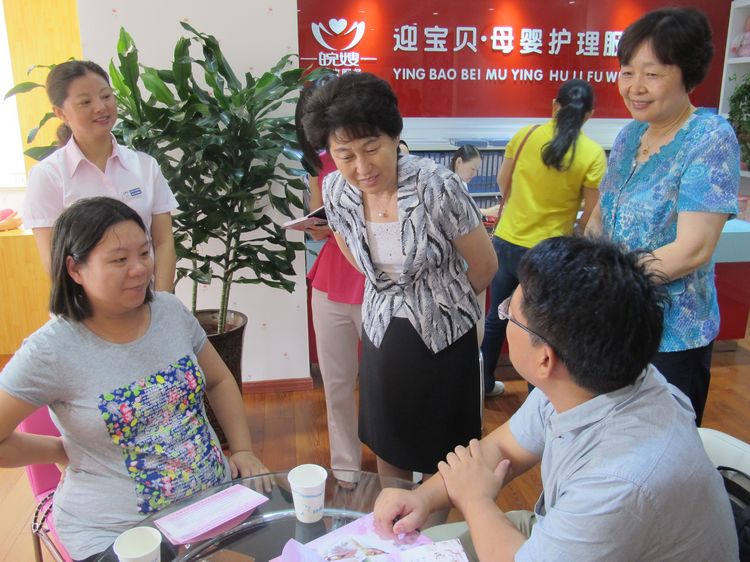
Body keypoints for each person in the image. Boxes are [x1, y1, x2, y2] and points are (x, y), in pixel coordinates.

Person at [374, 236, 738, 562]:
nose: (503, 315)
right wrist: (422, 498)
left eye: (509, 314)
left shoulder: (620, 478)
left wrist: (474, 499)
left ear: (545, 359)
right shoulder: (588, 380)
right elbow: (502, 449)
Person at [0, 197, 268, 561]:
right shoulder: (51, 350)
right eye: (119, 260)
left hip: (211, 503)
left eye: (144, 253)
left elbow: (219, 381)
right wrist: (59, 450)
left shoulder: (169, 311)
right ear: (75, 269)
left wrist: (243, 449)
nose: (140, 269)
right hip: (118, 532)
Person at [299, 72, 498, 480]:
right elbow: (354, 252)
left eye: (371, 148)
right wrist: (388, 294)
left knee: (446, 454)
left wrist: (442, 303)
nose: (362, 167)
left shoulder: (436, 186)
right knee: (389, 444)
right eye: (345, 155)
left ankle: (434, 518)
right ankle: (397, 516)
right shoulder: (336, 191)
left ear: (394, 137)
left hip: (444, 336)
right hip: (382, 333)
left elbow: (484, 266)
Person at [587, 8, 740, 425]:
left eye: (652, 74)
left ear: (688, 75)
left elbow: (693, 249)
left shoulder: (710, 138)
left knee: (660, 447)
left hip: (671, 336)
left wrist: (610, 284)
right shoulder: (629, 135)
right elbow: (601, 216)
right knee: (609, 438)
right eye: (627, 72)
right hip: (613, 324)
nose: (635, 87)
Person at [481, 79, 605, 397]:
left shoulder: (525, 135)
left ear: (554, 106)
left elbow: (502, 182)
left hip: (506, 241)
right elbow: (592, 213)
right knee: (539, 329)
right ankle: (536, 400)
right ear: (589, 114)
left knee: (496, 318)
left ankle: (480, 385)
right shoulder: (592, 154)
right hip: (548, 255)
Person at [22, 60, 178, 292]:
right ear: (60, 113)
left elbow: (163, 241)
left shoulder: (145, 166)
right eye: (85, 102)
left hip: (144, 300)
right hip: (85, 307)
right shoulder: (48, 175)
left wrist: (162, 302)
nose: (100, 107)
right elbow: (54, 259)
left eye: (106, 96)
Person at [295, 87, 366, 488]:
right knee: (337, 382)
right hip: (330, 280)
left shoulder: (376, 156)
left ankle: (399, 459)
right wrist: (317, 225)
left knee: (389, 381)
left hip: (377, 283)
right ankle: (345, 465)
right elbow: (317, 219)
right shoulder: (318, 164)